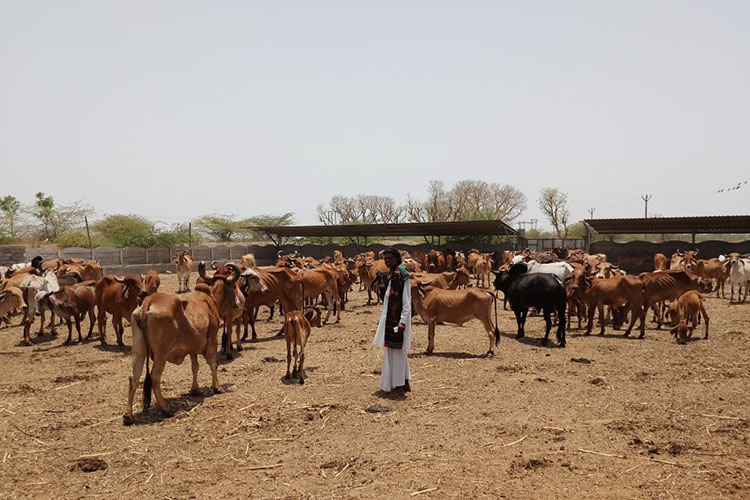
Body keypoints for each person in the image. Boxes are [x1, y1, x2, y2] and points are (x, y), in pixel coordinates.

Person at [373, 247, 412, 396]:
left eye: (390, 258)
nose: (388, 261)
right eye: (386, 259)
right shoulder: (392, 273)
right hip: (390, 317)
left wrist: (402, 321)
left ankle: (398, 386)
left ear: (397, 258)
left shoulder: (401, 273)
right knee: (395, 351)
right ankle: (405, 381)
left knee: (396, 352)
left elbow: (406, 300)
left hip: (397, 319)